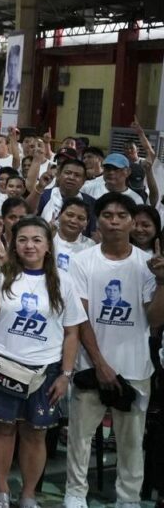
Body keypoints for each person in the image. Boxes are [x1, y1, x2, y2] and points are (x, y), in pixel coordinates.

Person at [64, 193, 164, 508]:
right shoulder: (82, 261)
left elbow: (155, 320)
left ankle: (128, 499)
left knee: (131, 442)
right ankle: (75, 493)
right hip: (90, 364)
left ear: (133, 222)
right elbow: (79, 318)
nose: (115, 221)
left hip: (135, 367)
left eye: (122, 215)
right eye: (108, 215)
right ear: (98, 220)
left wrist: (162, 282)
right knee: (79, 438)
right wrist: (100, 363)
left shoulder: (147, 266)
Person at [0, 216, 85, 508]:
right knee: (2, 429)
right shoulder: (2, 273)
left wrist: (65, 374)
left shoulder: (64, 281)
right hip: (3, 363)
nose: (29, 245)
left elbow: (72, 332)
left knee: (35, 434)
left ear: (48, 245)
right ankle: (1, 489)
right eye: (23, 239)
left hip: (46, 371)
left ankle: (28, 494)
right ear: (14, 243)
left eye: (37, 239)